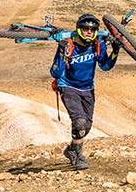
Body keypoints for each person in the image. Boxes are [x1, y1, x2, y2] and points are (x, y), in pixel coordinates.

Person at [50, 13, 119, 170]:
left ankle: (72, 149)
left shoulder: (97, 45)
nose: (89, 31)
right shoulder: (68, 45)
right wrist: (62, 53)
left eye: (92, 29)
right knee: (79, 122)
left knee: (86, 126)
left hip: (88, 88)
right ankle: (79, 156)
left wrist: (115, 51)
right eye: (85, 28)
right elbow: (55, 73)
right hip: (68, 86)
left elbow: (105, 66)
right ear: (79, 29)